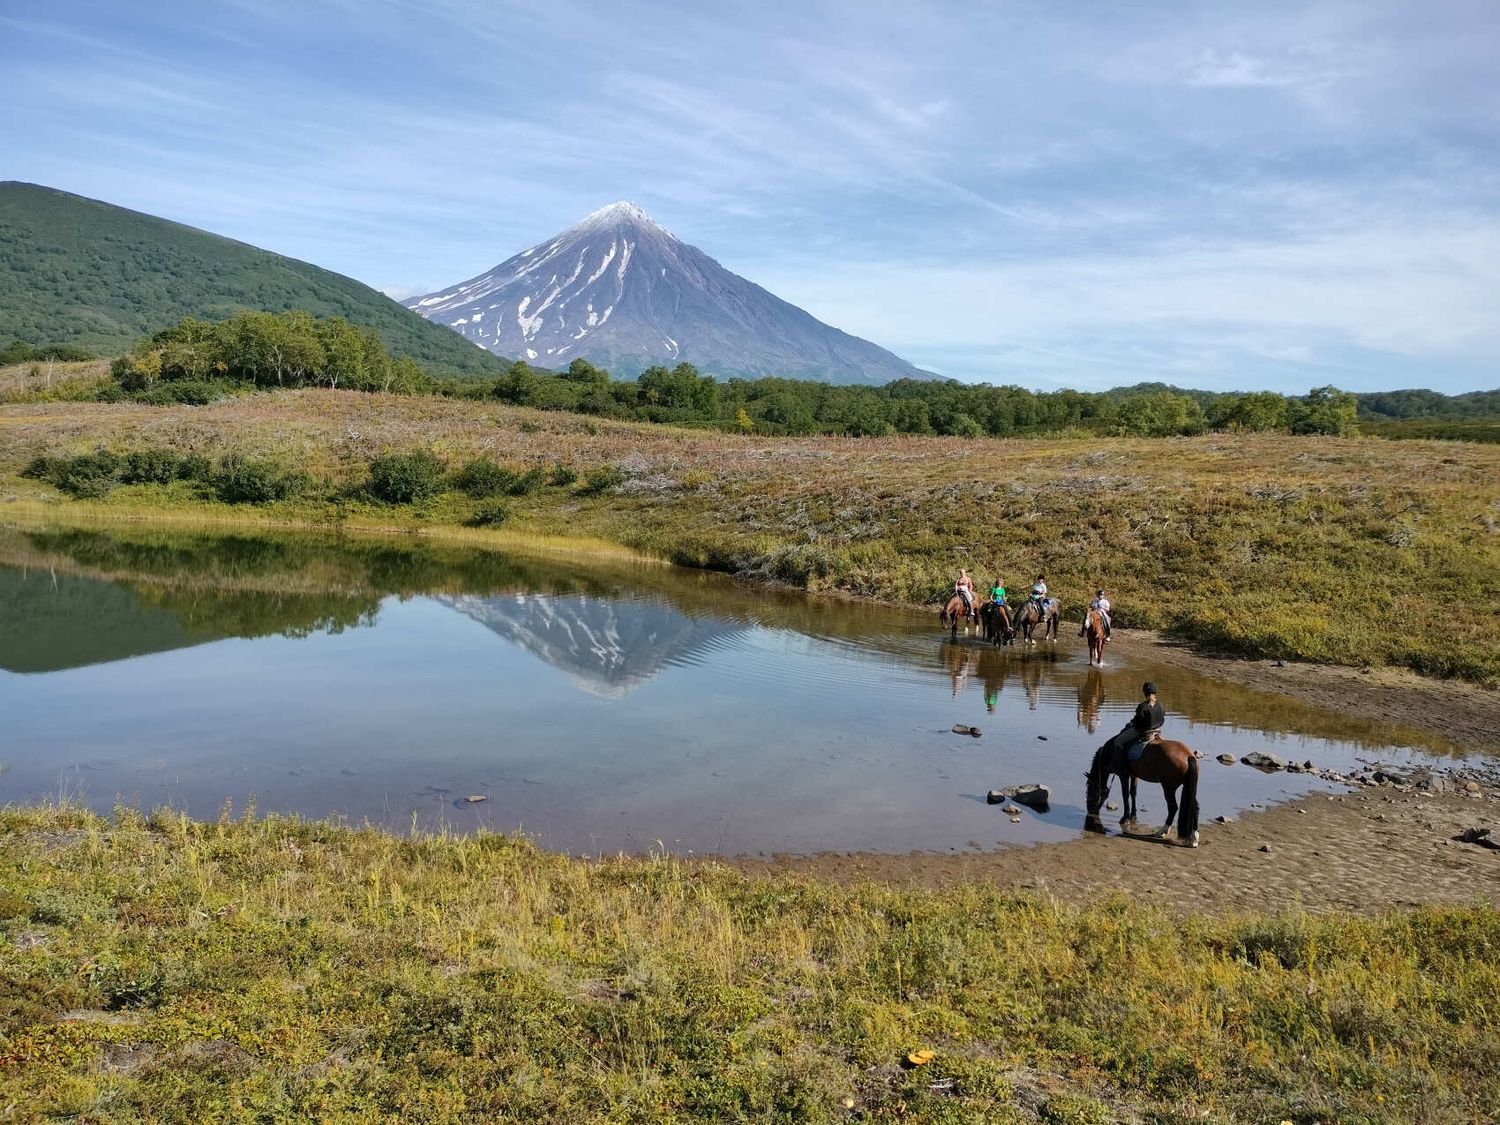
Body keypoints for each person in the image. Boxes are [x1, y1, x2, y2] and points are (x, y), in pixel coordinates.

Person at [1104, 681, 1164, 768]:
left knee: (1117, 741)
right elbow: (1162, 720)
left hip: (1142, 731)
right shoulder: (1161, 705)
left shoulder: (1142, 706)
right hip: (1157, 731)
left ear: (1144, 693)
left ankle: (1120, 766)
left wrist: (1133, 723)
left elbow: (1138, 723)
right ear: (1155, 692)